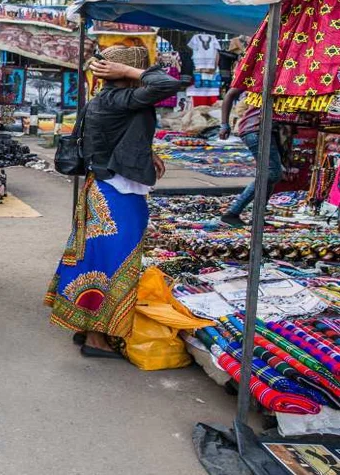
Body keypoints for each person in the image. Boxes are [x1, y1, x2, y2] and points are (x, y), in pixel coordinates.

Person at [45, 46, 185, 358]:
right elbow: (169, 84)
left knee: (98, 258)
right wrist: (132, 74)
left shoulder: (107, 100)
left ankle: (87, 328)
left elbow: (113, 136)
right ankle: (97, 338)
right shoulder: (122, 98)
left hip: (107, 186)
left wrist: (145, 151)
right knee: (111, 263)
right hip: (117, 193)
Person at [218, 87, 283, 228]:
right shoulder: (261, 75)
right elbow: (230, 94)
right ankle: (232, 213)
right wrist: (224, 124)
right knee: (271, 174)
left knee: (271, 175)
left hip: (266, 129)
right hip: (255, 129)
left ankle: (257, 216)